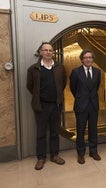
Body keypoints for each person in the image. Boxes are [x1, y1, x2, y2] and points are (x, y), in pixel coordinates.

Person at [27, 42, 66, 170]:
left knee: (55, 132)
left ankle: (54, 155)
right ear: (40, 52)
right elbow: (30, 87)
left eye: (50, 50)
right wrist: (40, 96)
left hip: (56, 105)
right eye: (46, 50)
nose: (48, 52)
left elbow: (63, 84)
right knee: (41, 133)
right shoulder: (33, 69)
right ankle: (41, 158)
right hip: (41, 106)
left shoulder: (60, 67)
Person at [70, 49, 101, 164]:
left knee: (93, 129)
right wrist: (81, 97)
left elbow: (96, 87)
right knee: (80, 130)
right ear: (82, 59)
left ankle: (93, 151)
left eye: (90, 57)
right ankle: (81, 154)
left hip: (93, 105)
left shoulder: (98, 72)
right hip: (81, 106)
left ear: (92, 59)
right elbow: (73, 88)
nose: (88, 59)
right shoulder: (75, 72)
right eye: (86, 57)